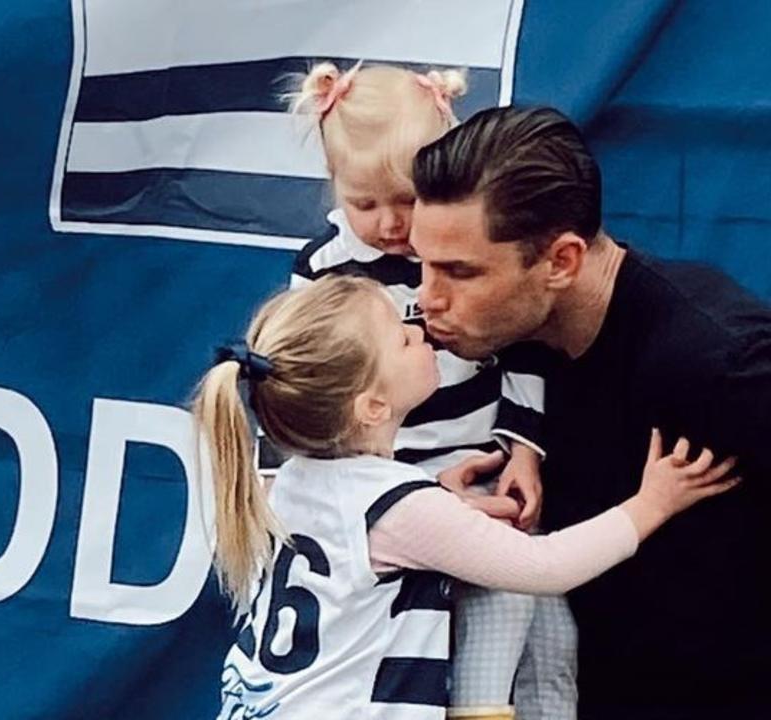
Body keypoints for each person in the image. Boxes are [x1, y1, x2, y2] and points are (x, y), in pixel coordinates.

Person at [193, 273, 737, 719]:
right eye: (403, 340)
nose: (422, 334)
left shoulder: (291, 483)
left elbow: (366, 549)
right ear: (373, 407)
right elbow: (544, 566)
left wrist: (440, 503)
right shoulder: (397, 504)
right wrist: (650, 505)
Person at [408, 104, 771, 717]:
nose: (426, 297)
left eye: (459, 272)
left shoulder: (715, 358)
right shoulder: (496, 350)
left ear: (561, 262)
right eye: (419, 263)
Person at [282, 60, 570, 719]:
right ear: (334, 185)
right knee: (477, 625)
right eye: (365, 203)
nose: (389, 223)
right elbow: (312, 381)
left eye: (406, 200)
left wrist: (524, 447)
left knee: (552, 640)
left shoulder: (465, 248)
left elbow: (518, 340)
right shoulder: (325, 268)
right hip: (396, 494)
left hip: (483, 468)